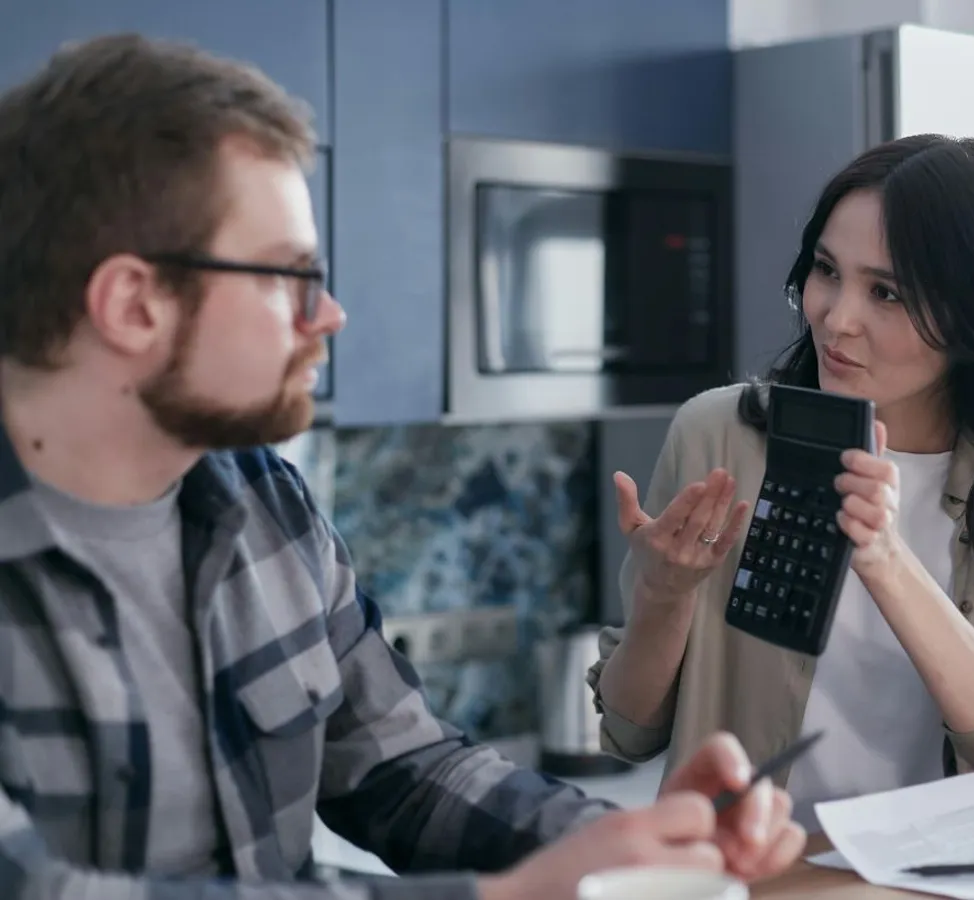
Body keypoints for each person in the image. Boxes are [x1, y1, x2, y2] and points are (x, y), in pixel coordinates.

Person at [0, 34, 807, 900]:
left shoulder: (265, 502)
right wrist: (503, 898)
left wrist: (618, 840)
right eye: (290, 276)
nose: (332, 315)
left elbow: (404, 765)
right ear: (134, 303)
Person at [588, 134, 974, 830]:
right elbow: (630, 732)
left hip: (935, 879)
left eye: (886, 291)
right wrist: (662, 598)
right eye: (827, 270)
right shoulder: (717, 436)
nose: (835, 316)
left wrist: (884, 556)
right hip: (755, 879)